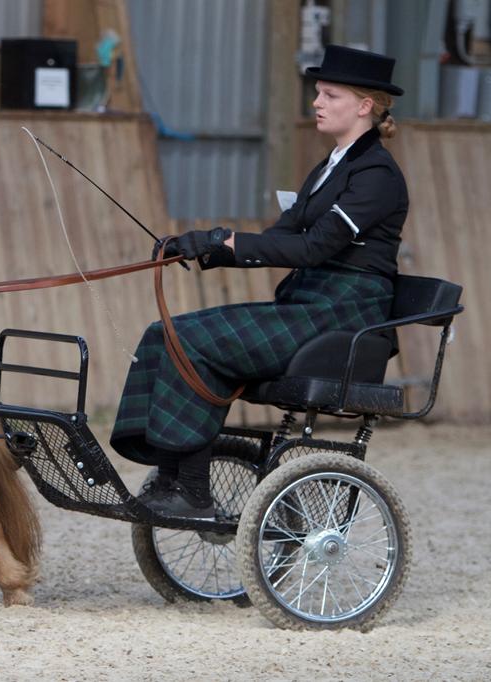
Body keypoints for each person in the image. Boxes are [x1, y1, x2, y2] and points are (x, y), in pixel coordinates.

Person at [110, 45, 408, 519]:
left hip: (341, 316)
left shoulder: (376, 176)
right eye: (317, 93)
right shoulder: (332, 166)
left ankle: (191, 491)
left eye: (330, 94)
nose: (317, 102)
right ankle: (171, 477)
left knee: (194, 340)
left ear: (365, 105)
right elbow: (279, 239)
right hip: (308, 305)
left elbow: (313, 250)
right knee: (163, 333)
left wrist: (223, 240)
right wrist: (207, 247)